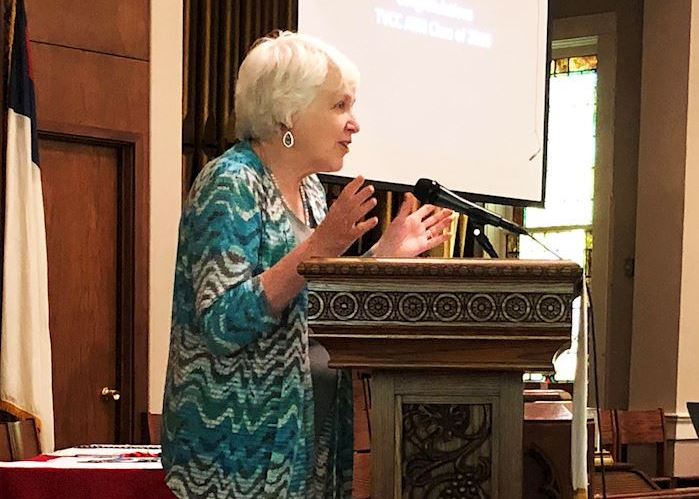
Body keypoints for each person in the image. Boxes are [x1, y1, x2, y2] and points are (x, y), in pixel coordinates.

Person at [161, 30, 453, 499]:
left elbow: (316, 300)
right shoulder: (230, 184)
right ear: (288, 111)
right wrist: (319, 248)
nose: (354, 124)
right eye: (339, 106)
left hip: (306, 436)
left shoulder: (312, 191)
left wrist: (384, 255)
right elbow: (220, 323)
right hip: (237, 455)